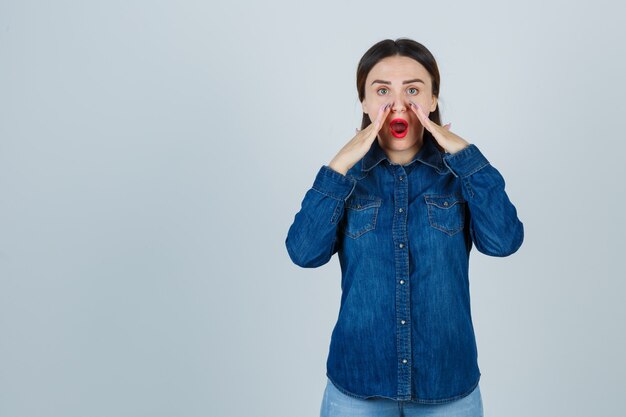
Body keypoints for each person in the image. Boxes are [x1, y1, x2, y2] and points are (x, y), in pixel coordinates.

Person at [285, 38, 524, 417]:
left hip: (447, 385)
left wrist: (466, 156)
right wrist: (338, 166)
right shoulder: (347, 181)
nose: (398, 104)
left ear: (432, 99)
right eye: (382, 91)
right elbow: (303, 253)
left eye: (413, 89)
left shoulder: (459, 176)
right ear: (363, 102)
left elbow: (504, 241)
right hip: (357, 386)